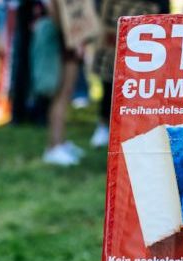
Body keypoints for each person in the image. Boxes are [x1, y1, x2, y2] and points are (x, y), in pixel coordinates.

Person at [90, 0, 169, 148]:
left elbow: (164, 10)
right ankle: (103, 124)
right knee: (111, 76)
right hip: (115, 20)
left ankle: (137, 128)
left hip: (146, 24)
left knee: (142, 81)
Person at [41, 0, 83, 166]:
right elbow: (54, 9)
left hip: (68, 40)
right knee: (62, 94)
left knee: (66, 93)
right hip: (65, 41)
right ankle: (54, 146)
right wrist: (71, 34)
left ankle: (60, 142)